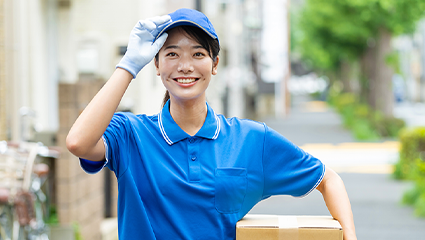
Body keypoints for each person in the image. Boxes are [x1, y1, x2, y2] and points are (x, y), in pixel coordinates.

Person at [66, 8, 357, 240]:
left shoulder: (250, 139)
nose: (185, 65)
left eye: (198, 54)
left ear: (215, 64)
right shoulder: (131, 135)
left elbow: (327, 179)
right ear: (156, 65)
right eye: (171, 54)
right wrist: (128, 65)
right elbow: (78, 142)